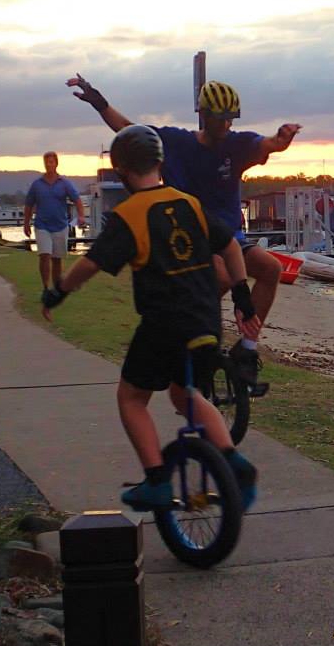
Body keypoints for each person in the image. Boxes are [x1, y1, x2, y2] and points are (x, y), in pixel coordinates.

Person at [41, 124, 261, 511]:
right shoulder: (189, 203)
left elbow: (90, 264)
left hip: (165, 323)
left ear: (122, 170)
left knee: (131, 397)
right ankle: (232, 461)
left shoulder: (129, 214)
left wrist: (59, 291)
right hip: (206, 318)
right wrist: (242, 296)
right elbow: (229, 246)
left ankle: (158, 480)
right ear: (160, 163)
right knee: (184, 393)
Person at [66, 73, 300, 390]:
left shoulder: (238, 145)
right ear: (204, 116)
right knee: (219, 278)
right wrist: (98, 101)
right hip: (188, 239)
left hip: (229, 237)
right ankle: (197, 343)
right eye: (221, 119)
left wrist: (282, 139)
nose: (226, 126)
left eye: (231, 119)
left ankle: (245, 353)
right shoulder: (176, 143)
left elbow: (269, 144)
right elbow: (128, 130)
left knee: (271, 269)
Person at [23, 151, 86, 290]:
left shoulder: (64, 183)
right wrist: (26, 223)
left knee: (56, 259)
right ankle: (46, 287)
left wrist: (81, 216)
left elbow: (77, 199)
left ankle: (56, 288)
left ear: (56, 163)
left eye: (51, 161)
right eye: (46, 162)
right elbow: (28, 204)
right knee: (44, 255)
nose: (48, 164)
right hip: (42, 225)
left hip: (60, 225)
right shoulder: (37, 184)